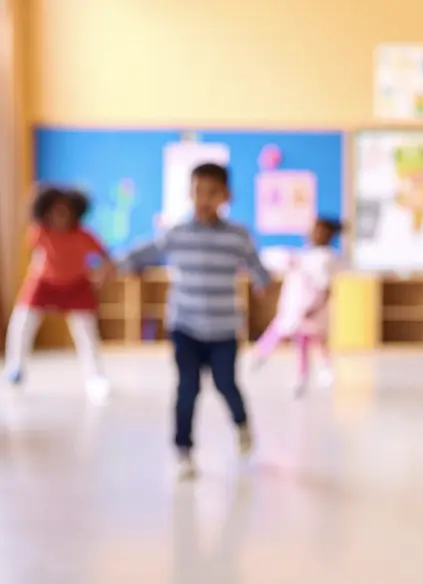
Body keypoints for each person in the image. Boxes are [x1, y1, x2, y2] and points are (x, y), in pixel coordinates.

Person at [120, 163, 270, 480]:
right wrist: (117, 265)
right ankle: (183, 450)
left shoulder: (237, 236)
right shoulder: (178, 233)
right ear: (189, 193)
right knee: (187, 388)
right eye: (198, 191)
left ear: (226, 196)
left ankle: (242, 424)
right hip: (185, 326)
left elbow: (257, 266)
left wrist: (262, 283)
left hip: (224, 328)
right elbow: (145, 253)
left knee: (226, 383)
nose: (204, 199)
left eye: (212, 192)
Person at [3, 186, 113, 399]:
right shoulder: (40, 231)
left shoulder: (84, 235)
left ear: (75, 212)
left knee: (86, 330)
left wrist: (102, 274)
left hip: (76, 284)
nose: (60, 216)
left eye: (65, 211)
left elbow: (104, 257)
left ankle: (95, 376)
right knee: (22, 322)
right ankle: (15, 368)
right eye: (54, 211)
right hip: (44, 283)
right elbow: (36, 251)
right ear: (45, 212)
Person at [249, 217, 344, 396]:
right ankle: (264, 355)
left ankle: (315, 373)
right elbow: (279, 260)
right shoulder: (304, 255)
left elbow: (326, 289)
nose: (313, 233)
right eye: (313, 229)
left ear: (328, 235)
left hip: (311, 310)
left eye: (318, 230)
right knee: (287, 334)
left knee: (310, 341)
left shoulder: (325, 258)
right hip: (294, 307)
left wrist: (314, 309)